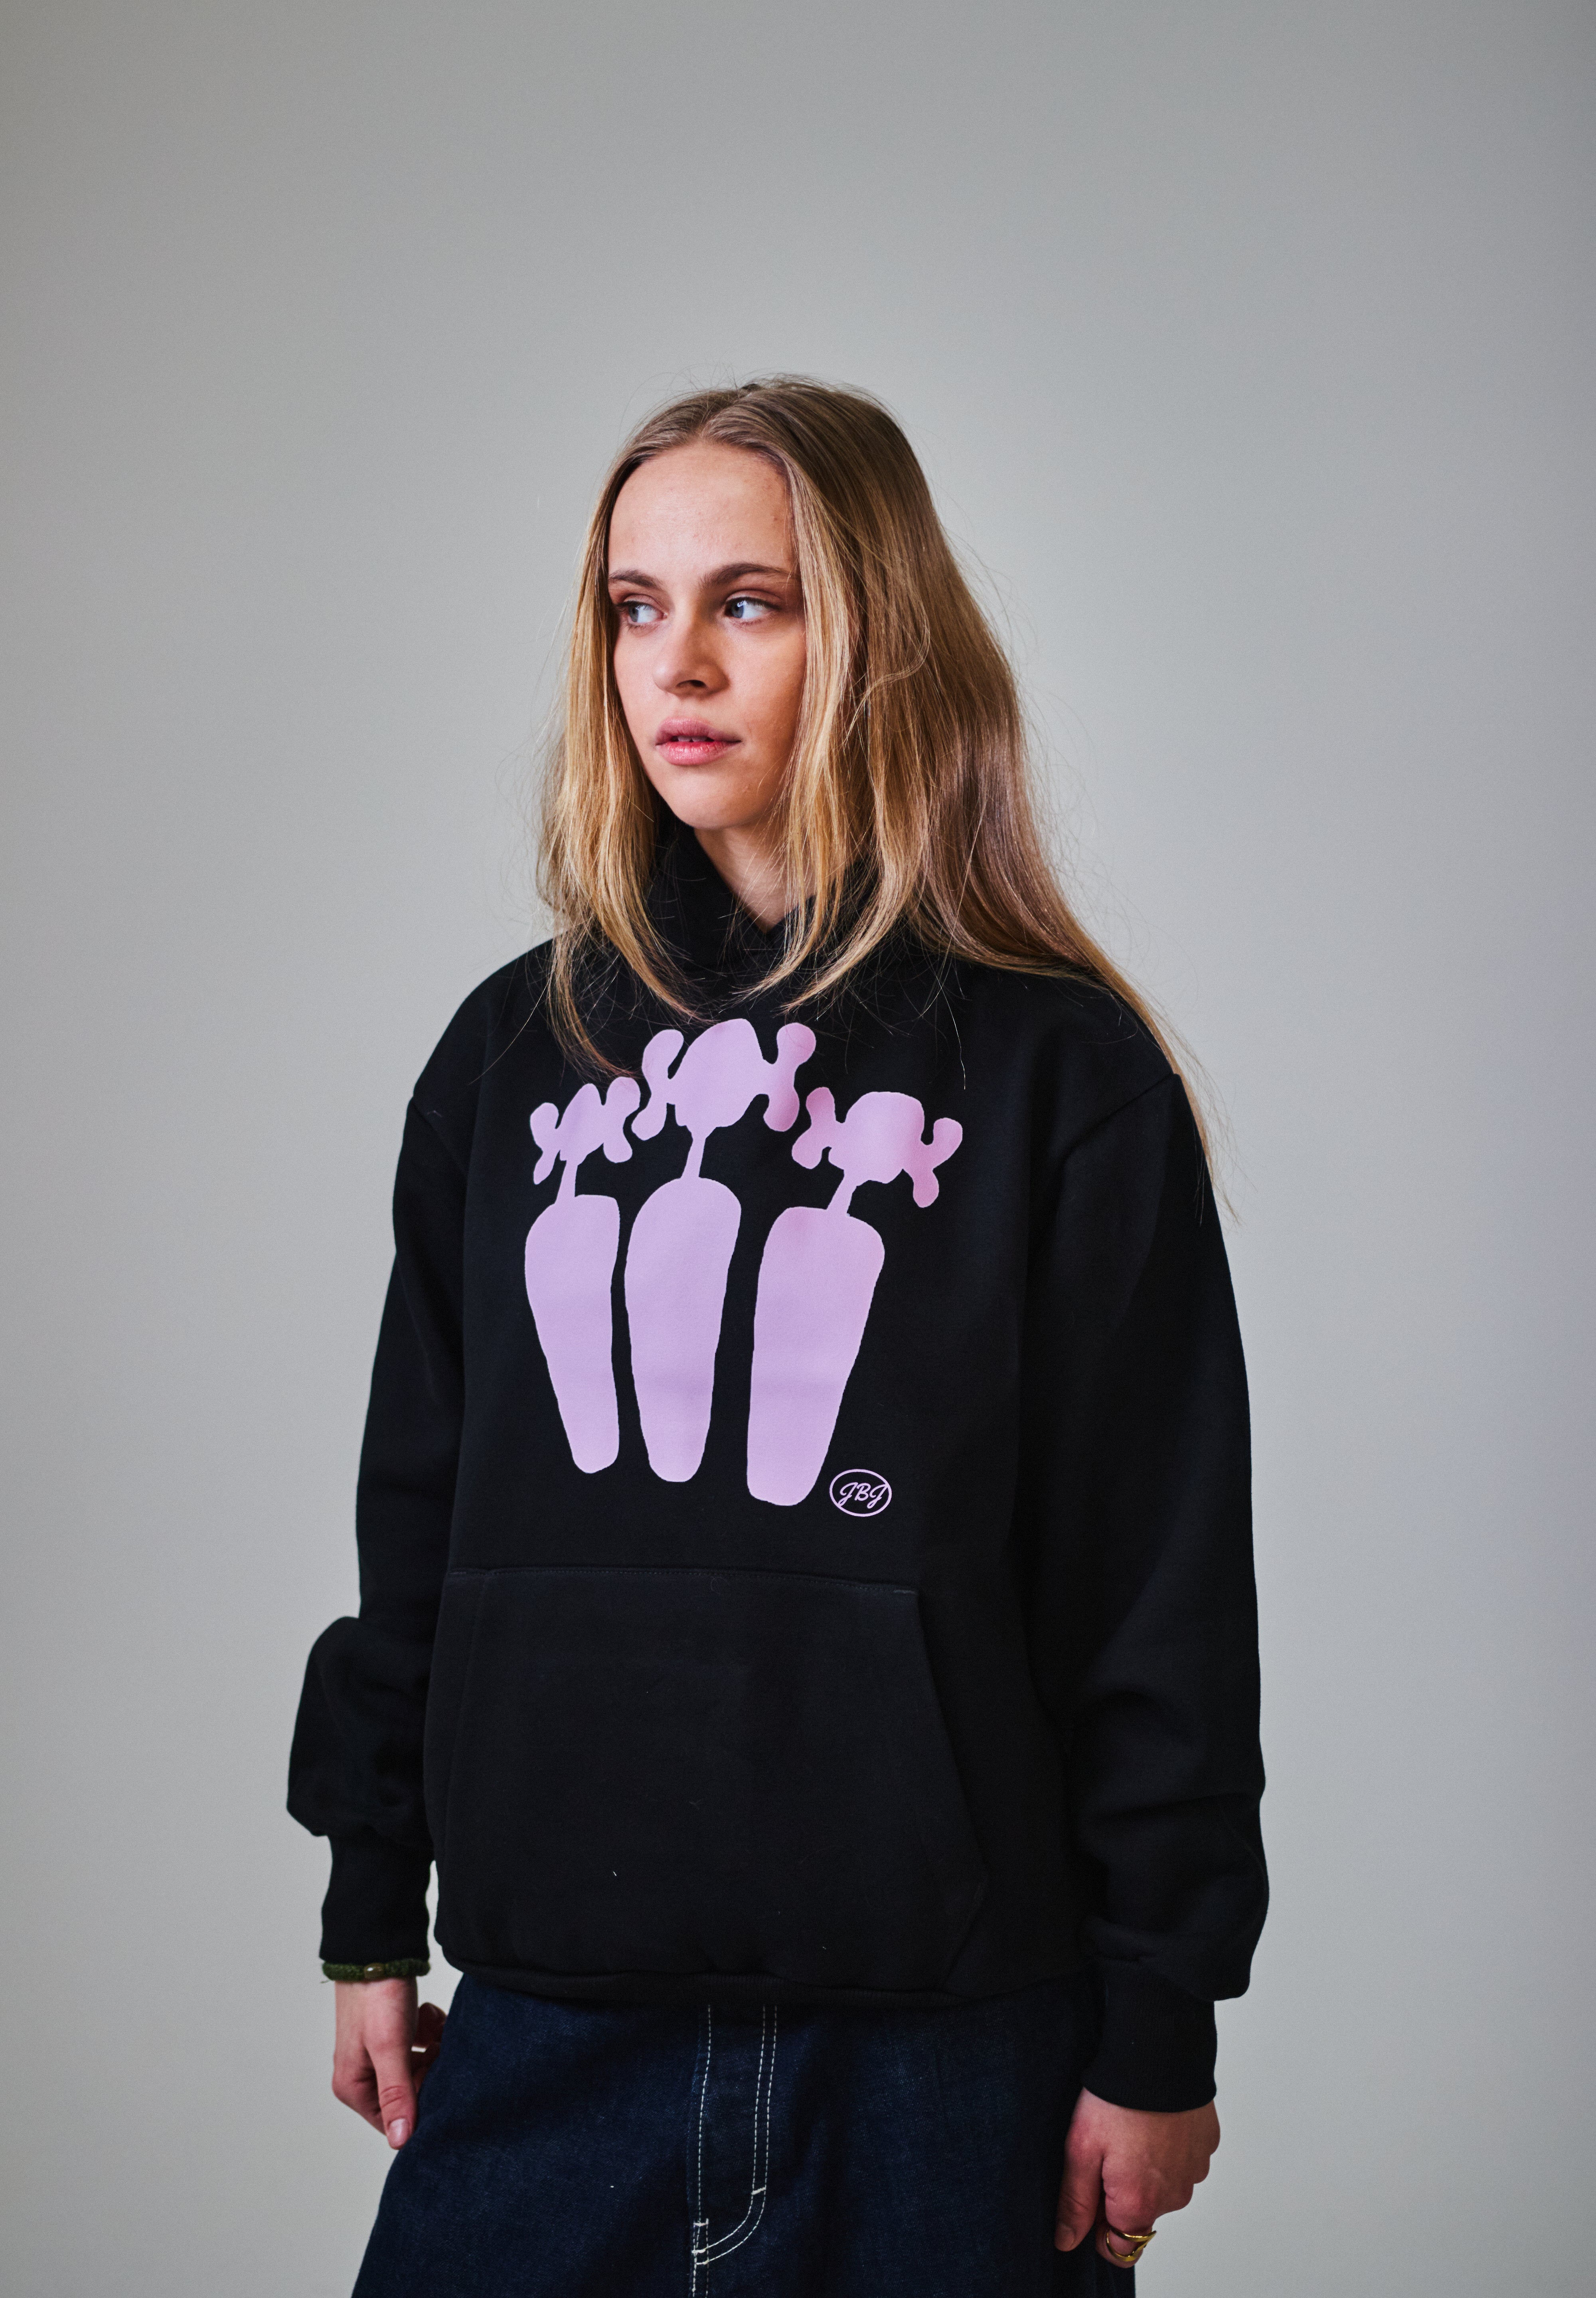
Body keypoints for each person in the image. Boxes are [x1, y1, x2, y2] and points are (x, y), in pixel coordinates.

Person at [288, 377, 1266, 2297]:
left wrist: (1160, 2019)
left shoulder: (1058, 1075)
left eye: (751, 600)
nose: (680, 664)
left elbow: (1153, 1582)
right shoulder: (509, 1059)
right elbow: (416, 1519)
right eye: (633, 607)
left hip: (943, 2055)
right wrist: (368, 1904)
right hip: (553, 2024)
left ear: (878, 637)